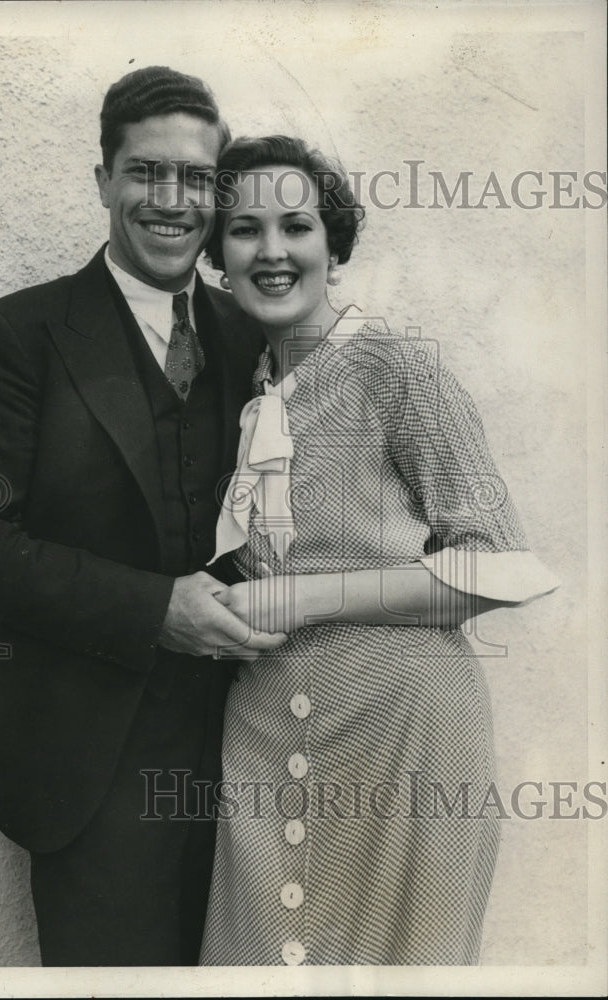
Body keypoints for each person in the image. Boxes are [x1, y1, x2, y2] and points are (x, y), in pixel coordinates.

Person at [0, 66, 286, 967]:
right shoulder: (18, 335)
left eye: (196, 179)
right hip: (93, 771)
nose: (172, 200)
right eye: (146, 172)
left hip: (256, 756)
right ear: (104, 182)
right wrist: (154, 608)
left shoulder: (257, 336)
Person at [197, 135, 560, 966]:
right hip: (267, 720)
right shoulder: (245, 386)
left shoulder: (398, 369)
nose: (274, 251)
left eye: (298, 225)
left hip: (406, 728)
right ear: (217, 253)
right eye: (245, 229)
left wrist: (302, 598)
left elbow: (498, 564)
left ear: (335, 243)